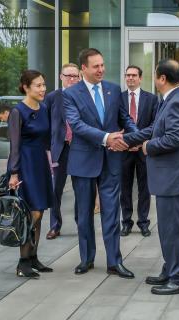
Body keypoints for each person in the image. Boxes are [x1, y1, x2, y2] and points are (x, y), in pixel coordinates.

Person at [124, 59, 179, 295]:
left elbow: (173, 139)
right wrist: (125, 140)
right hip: (170, 178)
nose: (153, 80)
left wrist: (147, 147)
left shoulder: (177, 102)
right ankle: (171, 269)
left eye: (155, 75)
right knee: (167, 229)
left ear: (162, 79)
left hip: (174, 178)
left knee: (173, 229)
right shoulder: (171, 100)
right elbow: (155, 128)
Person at [63, 48, 137, 278]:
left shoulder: (114, 90)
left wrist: (134, 138)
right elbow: (76, 125)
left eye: (102, 65)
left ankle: (114, 262)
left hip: (111, 161)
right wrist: (107, 138)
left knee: (111, 212)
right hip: (83, 161)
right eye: (96, 66)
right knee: (84, 214)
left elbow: (125, 118)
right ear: (83, 68)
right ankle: (87, 259)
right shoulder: (70, 94)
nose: (101, 69)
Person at [7, 70, 54, 278]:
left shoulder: (43, 108)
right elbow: (14, 145)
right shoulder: (18, 111)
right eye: (38, 85)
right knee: (30, 213)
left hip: (41, 163)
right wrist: (13, 173)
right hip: (26, 164)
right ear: (26, 87)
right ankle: (23, 261)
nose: (43, 89)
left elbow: (47, 138)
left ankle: (33, 257)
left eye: (44, 85)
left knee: (40, 210)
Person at [120, 65, 158, 237]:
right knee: (125, 187)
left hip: (143, 149)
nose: (130, 78)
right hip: (123, 149)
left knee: (145, 188)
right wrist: (127, 142)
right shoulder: (118, 99)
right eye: (128, 75)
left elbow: (154, 124)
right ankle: (126, 222)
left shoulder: (151, 99)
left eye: (134, 75)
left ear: (140, 78)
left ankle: (143, 222)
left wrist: (140, 141)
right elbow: (115, 122)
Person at [45, 63, 80, 240]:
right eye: (69, 76)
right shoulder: (52, 97)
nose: (72, 79)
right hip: (59, 149)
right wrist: (47, 150)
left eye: (75, 76)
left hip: (79, 150)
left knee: (81, 190)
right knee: (55, 190)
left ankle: (81, 225)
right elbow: (45, 125)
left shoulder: (84, 96)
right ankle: (55, 225)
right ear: (61, 77)